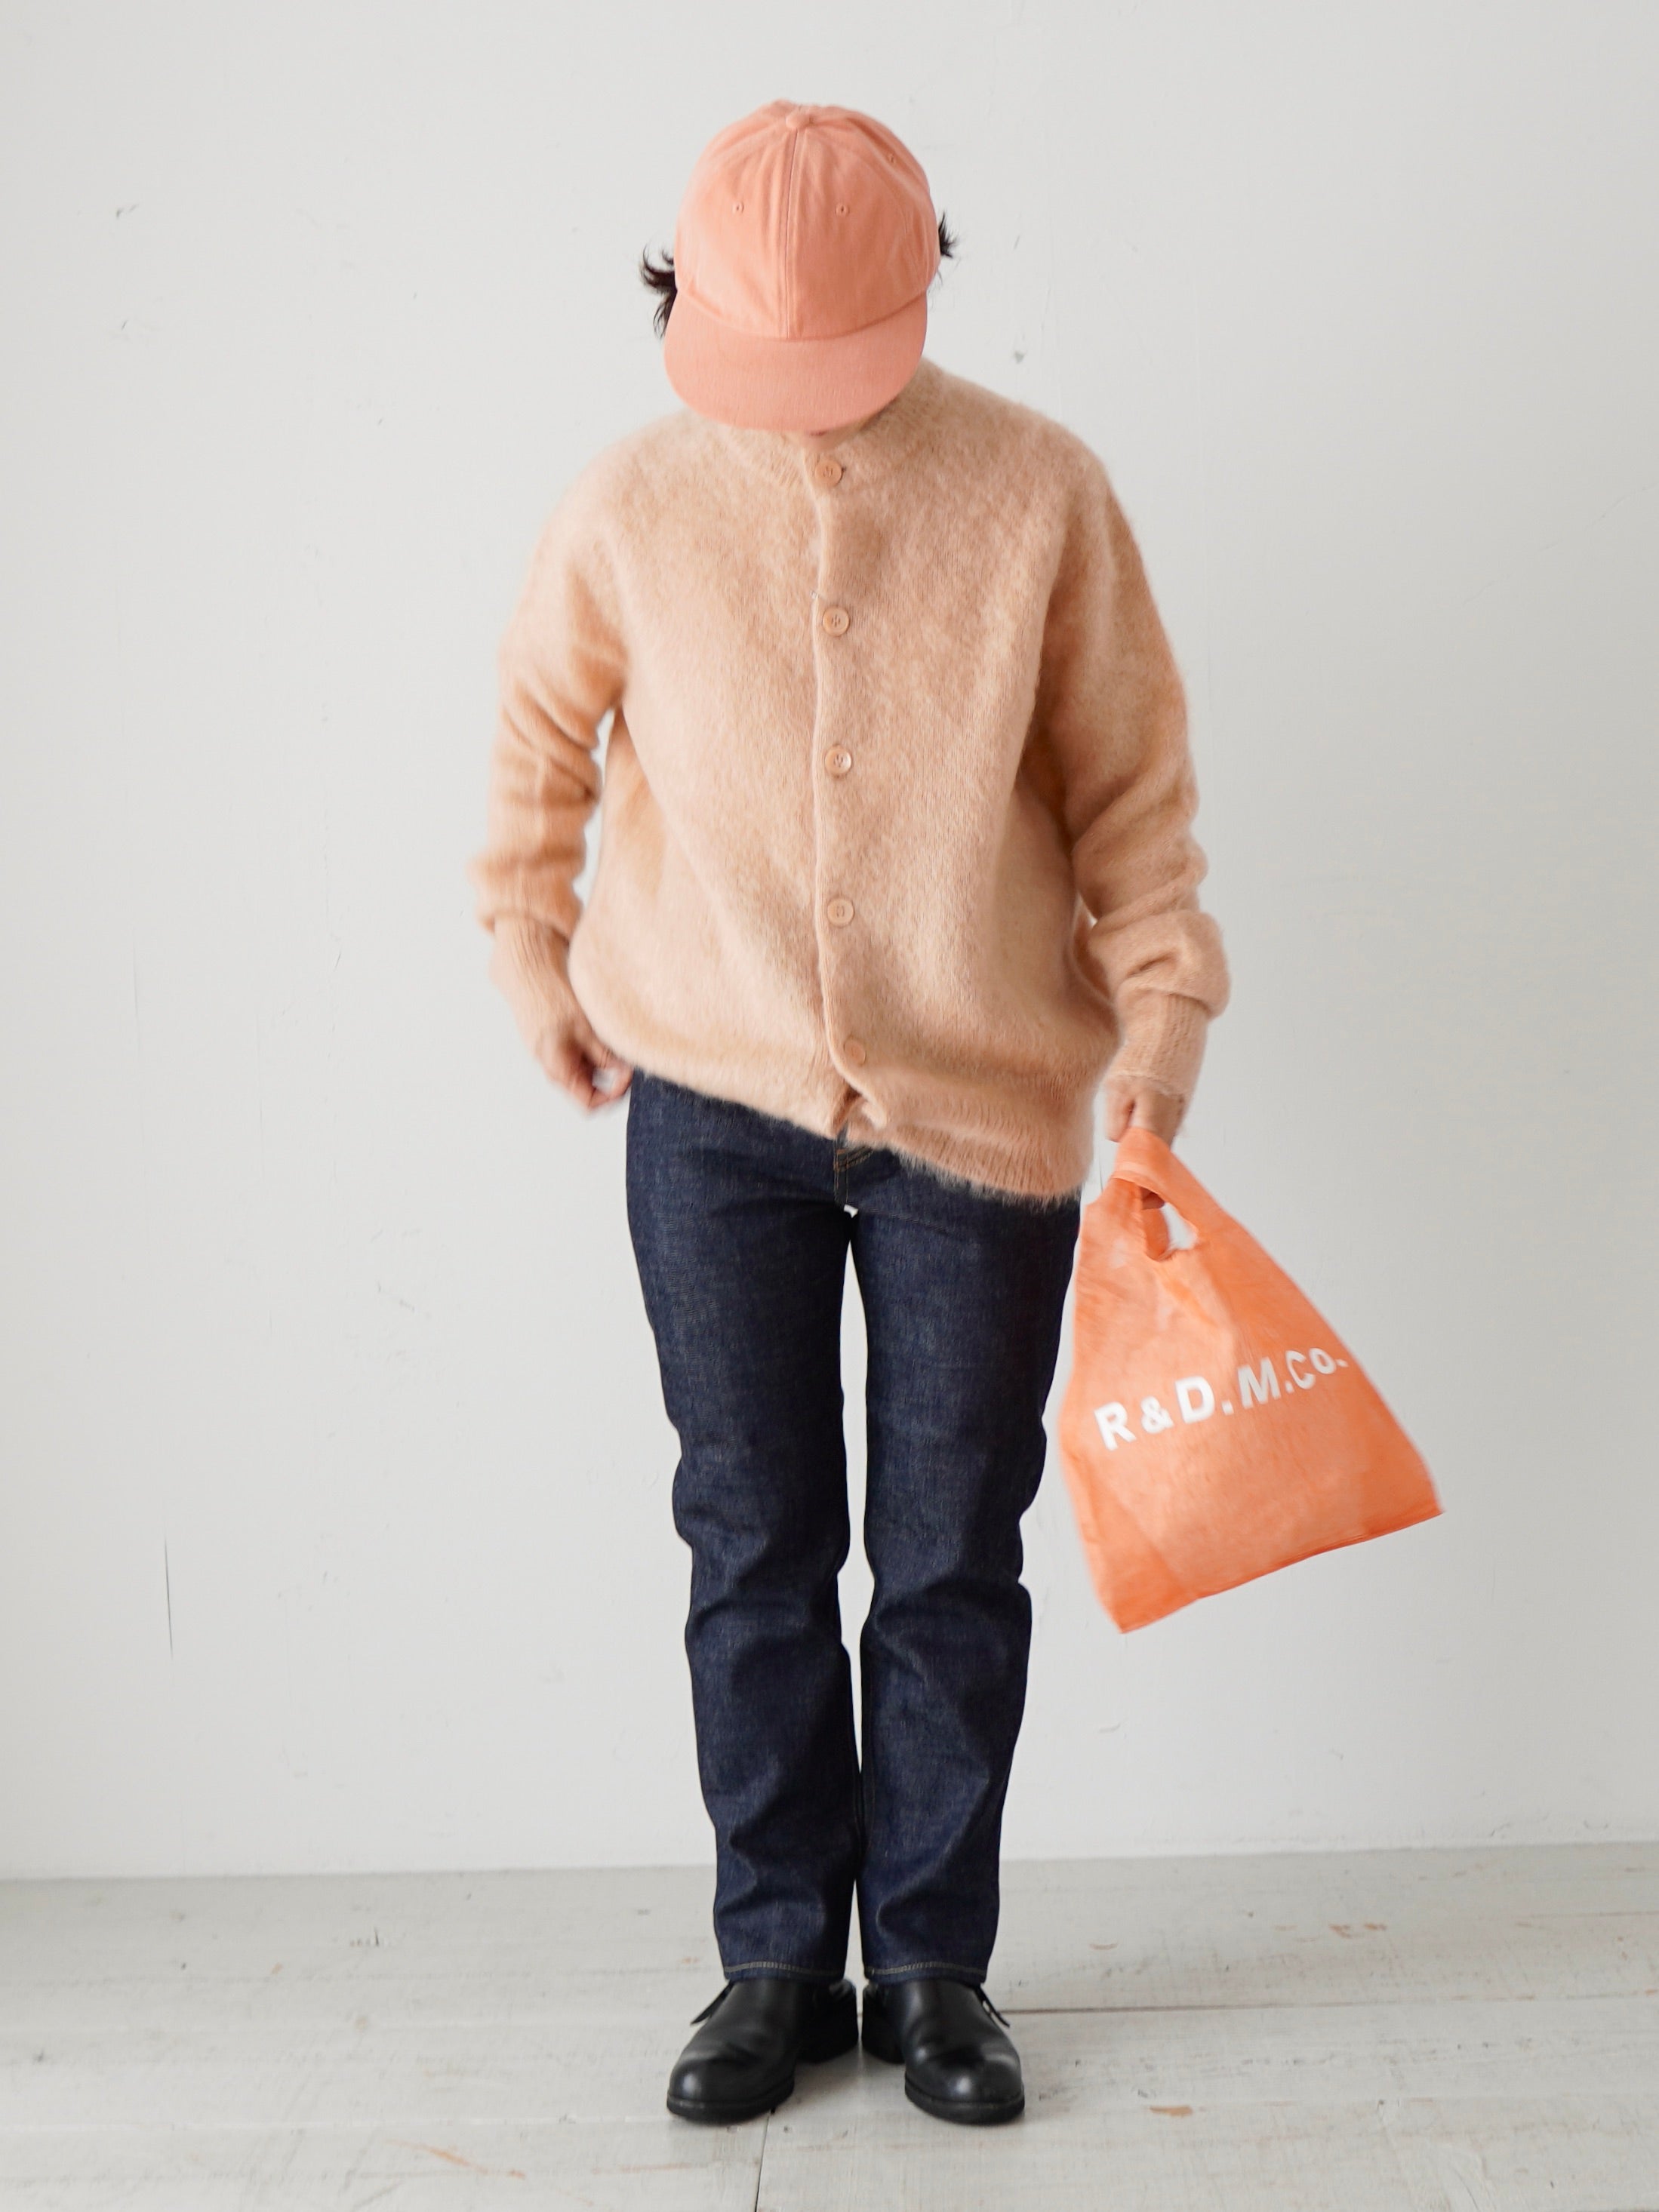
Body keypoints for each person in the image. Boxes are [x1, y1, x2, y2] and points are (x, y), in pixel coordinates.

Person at [465, 98, 1230, 2129]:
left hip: (986, 1107)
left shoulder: (1041, 494)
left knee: (953, 1549)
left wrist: (1161, 1027)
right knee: (753, 1535)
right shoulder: (630, 500)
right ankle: (776, 1958)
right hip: (706, 1099)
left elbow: (1132, 795)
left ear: (923, 291)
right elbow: (537, 737)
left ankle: (937, 1969)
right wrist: (533, 956)